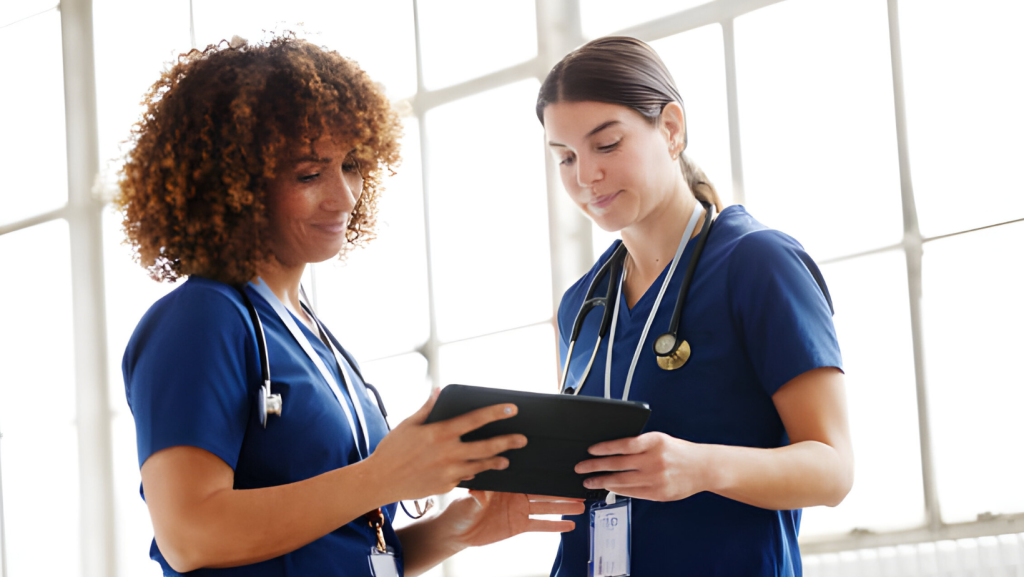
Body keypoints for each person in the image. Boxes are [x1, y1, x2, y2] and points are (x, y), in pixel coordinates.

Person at [117, 35, 583, 577]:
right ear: (236, 186)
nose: (343, 197)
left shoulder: (309, 333)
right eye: (310, 174)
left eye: (352, 165)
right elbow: (190, 535)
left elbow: (336, 550)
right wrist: (385, 476)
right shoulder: (202, 320)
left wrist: (453, 531)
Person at [537, 37, 853, 576]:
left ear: (671, 128)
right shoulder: (582, 305)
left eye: (607, 145)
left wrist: (702, 466)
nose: (585, 176)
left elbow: (832, 468)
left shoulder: (757, 264)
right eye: (565, 157)